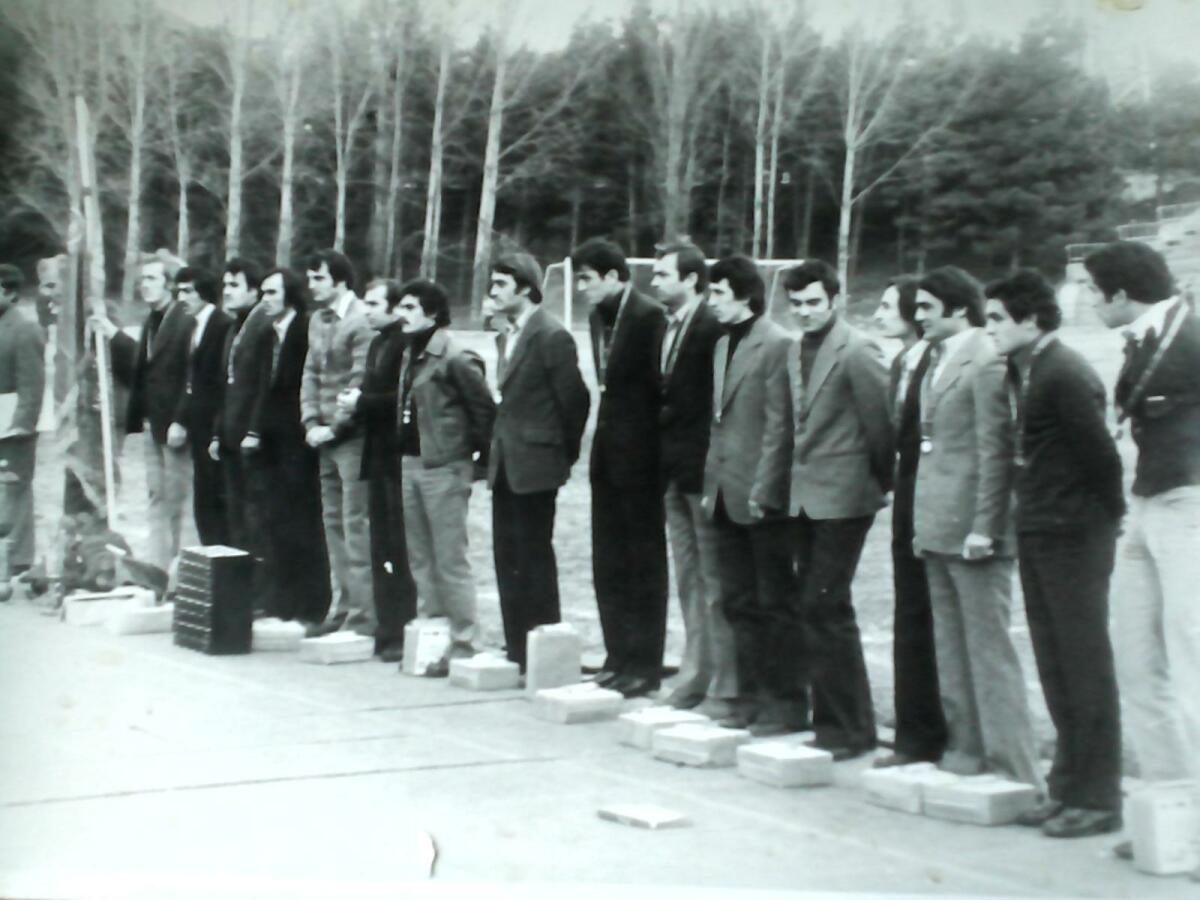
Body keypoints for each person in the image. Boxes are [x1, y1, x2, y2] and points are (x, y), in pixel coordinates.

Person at [984, 269, 1124, 839]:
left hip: (1075, 536)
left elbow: (1102, 458)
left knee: (1083, 666)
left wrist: (1102, 520)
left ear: (1031, 320)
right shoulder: (1023, 371)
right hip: (1040, 530)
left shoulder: (1064, 372)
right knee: (1055, 665)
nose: (989, 328)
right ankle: (1066, 786)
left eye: (997, 319)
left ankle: (1099, 797)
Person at [1082, 241, 1200, 874]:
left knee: (1192, 663)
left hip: (1189, 506)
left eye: (1092, 290)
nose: (1087, 301)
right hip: (1148, 505)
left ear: (1121, 294)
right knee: (1136, 662)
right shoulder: (1142, 339)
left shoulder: (1192, 335)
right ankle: (1174, 815)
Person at [911, 266, 1043, 791]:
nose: (917, 316)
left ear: (959, 309)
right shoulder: (937, 358)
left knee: (989, 652)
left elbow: (996, 453)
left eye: (926, 307)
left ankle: (1014, 764)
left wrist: (986, 526)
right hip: (938, 524)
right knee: (951, 647)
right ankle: (966, 748)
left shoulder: (986, 360)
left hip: (973, 530)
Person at [784, 260, 892, 755]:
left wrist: (879, 484)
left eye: (814, 303)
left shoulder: (858, 350)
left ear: (835, 301)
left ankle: (850, 728)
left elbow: (881, 425)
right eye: (797, 304)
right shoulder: (794, 349)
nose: (805, 312)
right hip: (804, 498)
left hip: (845, 498)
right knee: (817, 606)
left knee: (824, 604)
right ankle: (832, 723)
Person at [701, 255, 800, 736]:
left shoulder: (778, 344)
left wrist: (765, 487)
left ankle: (783, 703)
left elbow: (780, 426)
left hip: (761, 496)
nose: (711, 302)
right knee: (737, 600)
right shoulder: (722, 345)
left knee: (773, 602)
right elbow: (719, 423)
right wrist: (711, 486)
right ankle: (747, 696)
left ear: (744, 294)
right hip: (725, 492)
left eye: (719, 293)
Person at [487, 253, 590, 672]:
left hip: (536, 466)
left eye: (500, 284)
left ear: (526, 288)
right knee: (506, 555)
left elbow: (575, 401)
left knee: (533, 557)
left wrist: (559, 454)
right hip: (505, 463)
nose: (492, 291)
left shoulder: (551, 335)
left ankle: (542, 651)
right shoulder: (505, 335)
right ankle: (517, 649)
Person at [575, 237, 668, 699]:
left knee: (642, 562)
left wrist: (649, 452)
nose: (581, 288)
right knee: (607, 560)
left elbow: (657, 391)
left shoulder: (650, 317)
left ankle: (645, 664)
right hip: (608, 455)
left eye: (587, 279)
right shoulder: (597, 317)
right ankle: (617, 656)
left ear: (613, 276)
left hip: (643, 460)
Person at [651, 242, 737, 718]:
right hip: (673, 474)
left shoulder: (712, 328)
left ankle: (724, 683)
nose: (654, 281)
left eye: (663, 274)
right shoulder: (668, 326)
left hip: (702, 475)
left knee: (713, 582)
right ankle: (695, 675)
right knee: (688, 579)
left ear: (690, 279)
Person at [393, 279, 494, 674]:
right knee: (421, 558)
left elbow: (483, 411)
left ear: (432, 314)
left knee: (450, 559)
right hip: (411, 463)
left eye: (410, 308)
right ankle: (433, 640)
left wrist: (471, 462)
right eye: (400, 306)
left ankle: (466, 641)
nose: (401, 314)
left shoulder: (455, 357)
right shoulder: (410, 352)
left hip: (445, 467)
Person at [871, 276, 947, 768]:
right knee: (908, 612)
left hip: (928, 496)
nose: (879, 314)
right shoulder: (901, 362)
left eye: (887, 306)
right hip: (906, 496)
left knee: (924, 613)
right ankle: (912, 732)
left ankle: (927, 734)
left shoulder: (933, 361)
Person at [93, 250, 194, 571]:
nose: (144, 285)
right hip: (153, 425)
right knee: (156, 498)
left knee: (180, 502)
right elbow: (143, 367)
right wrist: (111, 333)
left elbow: (194, 374)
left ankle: (184, 572)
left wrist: (182, 420)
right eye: (142, 280)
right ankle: (159, 571)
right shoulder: (152, 320)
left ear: (169, 284)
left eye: (151, 279)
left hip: (177, 428)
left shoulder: (185, 320)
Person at [336, 279, 417, 662]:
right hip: (377, 455)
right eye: (365, 303)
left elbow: (399, 398)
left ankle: (401, 628)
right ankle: (386, 627)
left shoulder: (402, 344)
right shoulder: (378, 343)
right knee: (380, 543)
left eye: (374, 304)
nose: (366, 310)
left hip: (395, 455)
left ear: (394, 307)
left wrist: (362, 402)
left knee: (397, 546)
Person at [250, 268, 331, 625]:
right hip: (273, 443)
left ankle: (311, 603)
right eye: (263, 293)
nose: (264, 299)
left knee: (303, 523)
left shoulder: (306, 329)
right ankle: (282, 599)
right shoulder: (267, 334)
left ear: (290, 294)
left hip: (300, 442)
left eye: (271, 292)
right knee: (276, 522)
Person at [301, 250, 375, 638]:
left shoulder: (361, 321)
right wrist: (311, 421)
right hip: (324, 439)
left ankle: (363, 614)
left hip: (352, 439)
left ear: (341, 281)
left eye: (319, 278)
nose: (311, 285)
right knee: (333, 523)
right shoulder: (318, 319)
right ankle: (342, 605)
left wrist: (336, 428)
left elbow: (360, 379)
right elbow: (311, 373)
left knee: (355, 524)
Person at [209, 258, 273, 562]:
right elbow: (225, 385)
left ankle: (259, 581)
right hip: (230, 434)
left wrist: (254, 430)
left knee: (255, 514)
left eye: (235, 285)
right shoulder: (233, 327)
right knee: (235, 513)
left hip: (252, 437)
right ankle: (240, 580)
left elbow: (263, 384)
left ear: (254, 291)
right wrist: (217, 433)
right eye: (225, 285)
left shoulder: (264, 326)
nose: (227, 291)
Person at [168, 266, 233, 547]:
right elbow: (191, 380)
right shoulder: (193, 326)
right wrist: (182, 418)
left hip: (216, 428)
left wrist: (217, 429)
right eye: (179, 291)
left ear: (204, 293)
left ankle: (223, 559)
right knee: (203, 500)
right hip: (198, 428)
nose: (181, 298)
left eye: (188, 291)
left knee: (217, 500)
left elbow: (219, 383)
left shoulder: (223, 325)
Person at [0, 264, 46, 576]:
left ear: (10, 293)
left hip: (12, 426)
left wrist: (21, 424)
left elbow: (33, 384)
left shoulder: (25, 329)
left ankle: (17, 562)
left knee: (14, 492)